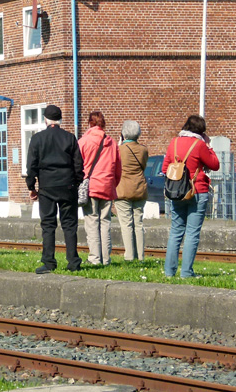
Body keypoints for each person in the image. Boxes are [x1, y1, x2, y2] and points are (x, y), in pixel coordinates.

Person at [25, 104, 84, 274]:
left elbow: (32, 165)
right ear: (60, 119)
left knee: (48, 225)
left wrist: (31, 187)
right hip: (67, 186)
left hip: (47, 186)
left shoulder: (37, 139)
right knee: (70, 225)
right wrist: (76, 182)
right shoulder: (70, 137)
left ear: (45, 119)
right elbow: (78, 164)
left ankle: (49, 262)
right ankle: (73, 262)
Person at [161, 115, 220, 279]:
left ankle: (169, 272)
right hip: (197, 191)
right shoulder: (200, 145)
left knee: (176, 232)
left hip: (177, 192)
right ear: (202, 131)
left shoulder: (174, 142)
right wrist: (209, 146)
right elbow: (214, 164)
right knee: (192, 233)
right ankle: (186, 272)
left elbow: (165, 167)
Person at [78, 111, 121, 266]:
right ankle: (106, 259)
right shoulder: (112, 143)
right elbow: (118, 168)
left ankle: (95, 259)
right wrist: (112, 183)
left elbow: (78, 165)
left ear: (90, 123)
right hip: (107, 186)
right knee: (105, 223)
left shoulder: (83, 141)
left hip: (91, 187)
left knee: (91, 222)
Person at [115, 120, 149, 262]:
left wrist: (119, 144)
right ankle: (140, 256)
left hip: (122, 190)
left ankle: (129, 256)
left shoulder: (119, 150)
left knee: (126, 224)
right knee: (138, 223)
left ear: (123, 133)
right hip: (139, 189)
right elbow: (144, 167)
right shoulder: (143, 150)